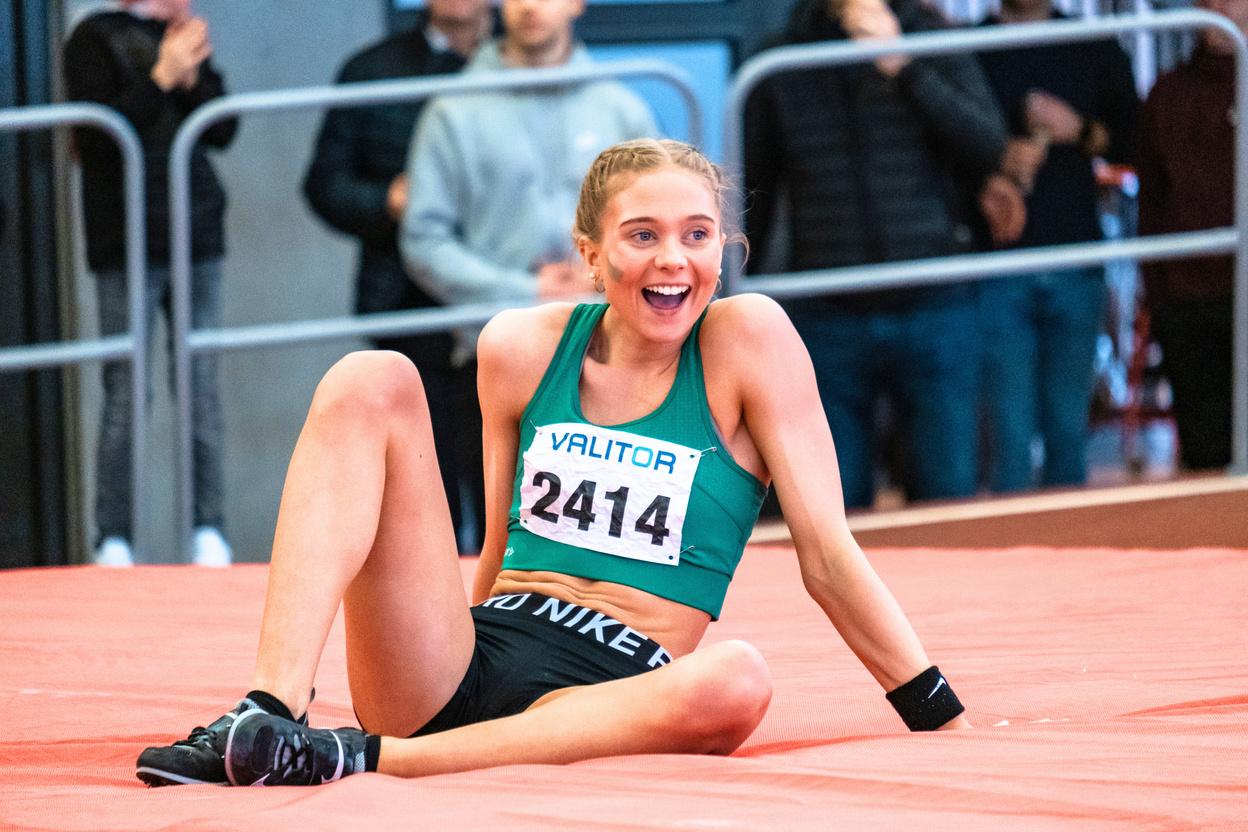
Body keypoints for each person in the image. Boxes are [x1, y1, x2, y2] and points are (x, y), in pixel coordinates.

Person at [134, 139, 970, 788]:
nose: (673, 259)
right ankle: (268, 712)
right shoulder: (520, 347)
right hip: (463, 666)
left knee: (739, 680)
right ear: (591, 254)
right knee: (370, 377)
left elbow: (827, 555)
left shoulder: (748, 340)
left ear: (724, 249)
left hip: (608, 692)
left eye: (697, 235)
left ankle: (348, 757)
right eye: (641, 236)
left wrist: (939, 715)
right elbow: (498, 549)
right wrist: (449, 652)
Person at [743, 0, 1007, 509]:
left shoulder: (930, 38)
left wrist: (903, 66)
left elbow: (987, 144)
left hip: (935, 301)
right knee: (832, 505)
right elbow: (757, 190)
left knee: (949, 498)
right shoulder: (782, 56)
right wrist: (735, 295)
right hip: (827, 308)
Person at [302, 0, 494, 553]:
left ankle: (506, 596)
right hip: (408, 303)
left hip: (507, 301)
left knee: (505, 483)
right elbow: (324, 184)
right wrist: (386, 200)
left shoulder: (523, 66)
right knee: (423, 487)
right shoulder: (371, 71)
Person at [63, 0, 236, 566]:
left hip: (195, 232)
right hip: (125, 236)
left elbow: (224, 127)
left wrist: (189, 78)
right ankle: (114, 537)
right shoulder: (93, 37)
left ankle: (208, 528)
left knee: (201, 385)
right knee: (126, 387)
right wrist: (161, 76)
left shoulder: (181, 34)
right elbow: (96, 140)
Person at [399, 0, 657, 372]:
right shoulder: (452, 111)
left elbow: (660, 224)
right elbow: (424, 240)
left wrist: (601, 272)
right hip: (498, 348)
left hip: (613, 341)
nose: (529, 6)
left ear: (577, 4)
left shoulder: (620, 108)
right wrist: (525, 290)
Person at [975, 0, 1138, 492]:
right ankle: (1011, 540)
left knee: (1068, 431)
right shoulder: (969, 51)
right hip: (997, 266)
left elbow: (1134, 139)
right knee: (1009, 439)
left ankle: (1069, 537)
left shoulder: (1091, 46)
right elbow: (943, 143)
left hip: (1074, 258)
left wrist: (1080, 130)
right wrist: (995, 163)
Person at [1136, 0, 1247, 472]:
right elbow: (1152, 204)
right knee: (1205, 457)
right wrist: (1160, 300)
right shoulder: (1167, 95)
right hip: (1189, 301)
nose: (1218, 7)